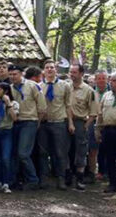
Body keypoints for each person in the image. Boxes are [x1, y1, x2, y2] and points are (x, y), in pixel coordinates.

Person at [37, 60, 74, 190]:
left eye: (52, 67)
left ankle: (61, 179)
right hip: (43, 124)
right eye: (47, 68)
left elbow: (68, 105)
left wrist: (70, 123)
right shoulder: (39, 86)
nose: (50, 70)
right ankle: (43, 178)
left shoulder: (65, 86)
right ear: (43, 71)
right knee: (42, 152)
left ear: (56, 70)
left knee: (60, 152)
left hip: (59, 122)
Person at [11, 66, 46, 190]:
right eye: (11, 74)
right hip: (16, 122)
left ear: (21, 74)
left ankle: (33, 179)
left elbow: (42, 107)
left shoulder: (32, 86)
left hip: (30, 122)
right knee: (16, 153)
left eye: (15, 74)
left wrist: (37, 123)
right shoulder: (10, 88)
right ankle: (18, 179)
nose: (13, 77)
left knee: (23, 153)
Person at [67, 64, 97, 190]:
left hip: (80, 122)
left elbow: (94, 111)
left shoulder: (89, 91)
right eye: (70, 72)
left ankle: (80, 177)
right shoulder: (65, 87)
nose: (72, 75)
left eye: (74, 72)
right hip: (66, 121)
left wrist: (86, 126)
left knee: (81, 149)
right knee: (65, 149)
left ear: (81, 74)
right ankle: (67, 175)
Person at [0, 82, 20, 193]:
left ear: (6, 91)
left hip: (7, 131)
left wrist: (8, 104)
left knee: (6, 158)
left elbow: (15, 118)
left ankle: (7, 182)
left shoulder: (14, 103)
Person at [89, 70, 109, 182]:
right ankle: (92, 172)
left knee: (107, 149)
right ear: (95, 80)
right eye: (99, 78)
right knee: (93, 149)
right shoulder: (91, 92)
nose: (101, 80)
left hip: (108, 123)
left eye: (103, 78)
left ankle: (106, 171)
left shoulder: (113, 92)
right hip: (93, 121)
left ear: (107, 79)